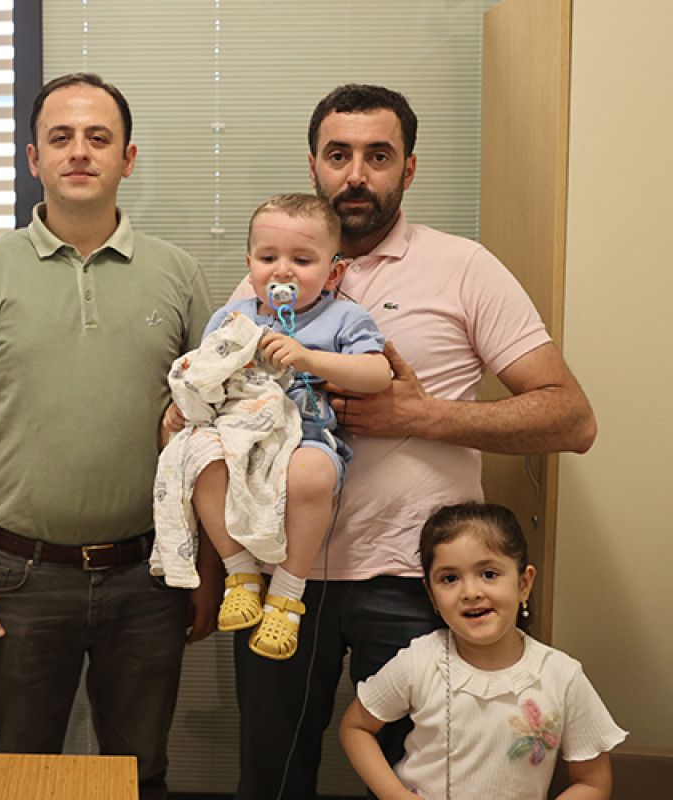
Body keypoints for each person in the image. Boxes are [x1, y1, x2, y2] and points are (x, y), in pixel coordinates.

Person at [222, 85, 597, 799]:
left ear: (409, 168)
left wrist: (422, 416)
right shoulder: (273, 271)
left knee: (419, 785)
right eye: (338, 155)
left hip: (413, 580)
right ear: (313, 165)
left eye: (378, 156)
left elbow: (570, 418)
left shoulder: (464, 267)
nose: (356, 174)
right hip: (284, 577)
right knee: (270, 780)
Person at [0, 73, 215, 800]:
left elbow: (214, 435)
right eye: (60, 137)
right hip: (20, 578)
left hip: (150, 576)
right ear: (33, 158)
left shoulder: (177, 275)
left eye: (98, 137)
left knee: (139, 774)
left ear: (128, 157)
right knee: (21, 776)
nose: (79, 152)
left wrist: (212, 565)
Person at [152, 194, 390, 661]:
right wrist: (187, 403)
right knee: (199, 460)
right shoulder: (233, 319)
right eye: (268, 258)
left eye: (302, 260)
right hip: (237, 434)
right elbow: (205, 371)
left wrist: (309, 358)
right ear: (250, 266)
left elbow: (378, 374)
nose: (283, 271)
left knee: (311, 475)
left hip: (306, 437)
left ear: (334, 273)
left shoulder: (344, 317)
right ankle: (240, 572)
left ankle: (286, 594)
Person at [339, 503, 625, 800]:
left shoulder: (561, 676)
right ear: (431, 595)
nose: (471, 593)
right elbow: (356, 727)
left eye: (489, 574)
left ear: (524, 583)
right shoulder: (419, 660)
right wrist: (396, 795)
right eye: (449, 579)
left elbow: (593, 782)